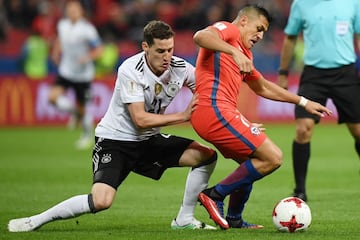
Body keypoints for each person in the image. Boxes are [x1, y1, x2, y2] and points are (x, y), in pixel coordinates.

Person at [8, 20, 218, 232]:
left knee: (206, 156)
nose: (167, 57)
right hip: (115, 141)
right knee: (101, 201)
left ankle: (184, 219)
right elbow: (140, 120)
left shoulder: (180, 68)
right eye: (160, 50)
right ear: (145, 47)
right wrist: (182, 116)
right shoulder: (131, 70)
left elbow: (207, 90)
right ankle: (35, 221)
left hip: (147, 141)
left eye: (170, 50)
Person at [190, 4, 332, 230]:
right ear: (244, 20)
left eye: (264, 31)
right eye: (259, 28)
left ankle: (235, 218)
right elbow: (201, 36)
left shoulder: (245, 54)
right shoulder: (229, 30)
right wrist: (233, 51)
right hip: (212, 110)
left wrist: (303, 101)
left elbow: (263, 87)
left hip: (221, 112)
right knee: (273, 157)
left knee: (250, 164)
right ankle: (214, 195)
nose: (261, 35)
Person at [277, 0, 360, 202]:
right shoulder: (301, 4)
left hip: (345, 74)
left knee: (358, 132)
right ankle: (300, 190)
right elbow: (290, 38)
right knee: (303, 129)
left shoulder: (353, 3)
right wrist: (283, 72)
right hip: (313, 76)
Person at [48, 0, 103, 150]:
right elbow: (60, 39)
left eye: (75, 9)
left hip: (83, 74)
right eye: (70, 9)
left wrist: (87, 57)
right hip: (66, 70)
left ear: (81, 12)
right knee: (52, 98)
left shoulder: (87, 29)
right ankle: (75, 113)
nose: (72, 11)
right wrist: (55, 51)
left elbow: (99, 49)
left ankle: (86, 136)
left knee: (83, 107)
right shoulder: (62, 25)